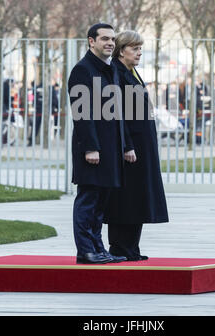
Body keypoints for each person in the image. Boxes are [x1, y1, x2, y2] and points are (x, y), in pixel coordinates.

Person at [103, 30, 169, 261]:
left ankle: (132, 248)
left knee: (139, 196)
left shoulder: (132, 72)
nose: (139, 53)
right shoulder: (117, 74)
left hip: (142, 145)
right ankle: (120, 248)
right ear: (122, 51)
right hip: (130, 147)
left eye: (140, 48)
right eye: (135, 49)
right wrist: (127, 145)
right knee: (126, 198)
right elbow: (118, 115)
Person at [68, 23, 127, 265]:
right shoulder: (82, 70)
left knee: (101, 202)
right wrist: (91, 147)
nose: (110, 43)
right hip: (92, 149)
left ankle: (98, 248)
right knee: (88, 200)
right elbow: (81, 114)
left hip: (110, 149)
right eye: (104, 39)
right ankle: (85, 251)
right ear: (91, 41)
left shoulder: (110, 68)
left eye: (112, 39)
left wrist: (123, 146)